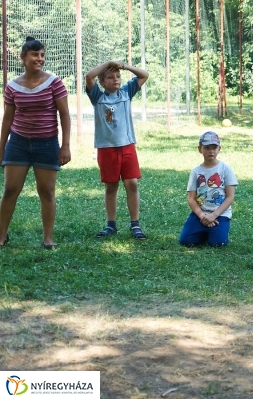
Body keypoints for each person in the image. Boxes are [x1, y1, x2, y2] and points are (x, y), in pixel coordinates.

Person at [0, 37, 71, 249]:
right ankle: (1, 235)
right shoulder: (12, 87)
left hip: (46, 144)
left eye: (42, 54)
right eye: (34, 55)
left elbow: (65, 115)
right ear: (23, 58)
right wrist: (1, 146)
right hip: (18, 144)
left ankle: (48, 238)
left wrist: (65, 146)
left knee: (47, 191)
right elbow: (7, 119)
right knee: (10, 190)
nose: (39, 59)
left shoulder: (54, 82)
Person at [86, 60, 149, 240]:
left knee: (132, 184)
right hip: (107, 149)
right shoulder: (98, 96)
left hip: (127, 146)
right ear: (102, 83)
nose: (115, 80)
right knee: (111, 186)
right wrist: (108, 63)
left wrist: (125, 67)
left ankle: (135, 224)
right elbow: (89, 76)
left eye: (118, 76)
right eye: (110, 77)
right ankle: (111, 225)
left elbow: (144, 75)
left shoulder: (126, 92)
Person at [180, 132, 238, 247]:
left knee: (218, 243)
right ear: (200, 149)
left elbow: (230, 196)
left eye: (214, 147)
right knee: (186, 241)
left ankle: (211, 231)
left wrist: (214, 215)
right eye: (206, 148)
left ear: (219, 149)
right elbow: (191, 199)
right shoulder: (196, 172)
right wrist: (202, 216)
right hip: (200, 213)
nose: (211, 151)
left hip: (220, 214)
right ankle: (204, 229)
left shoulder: (225, 169)